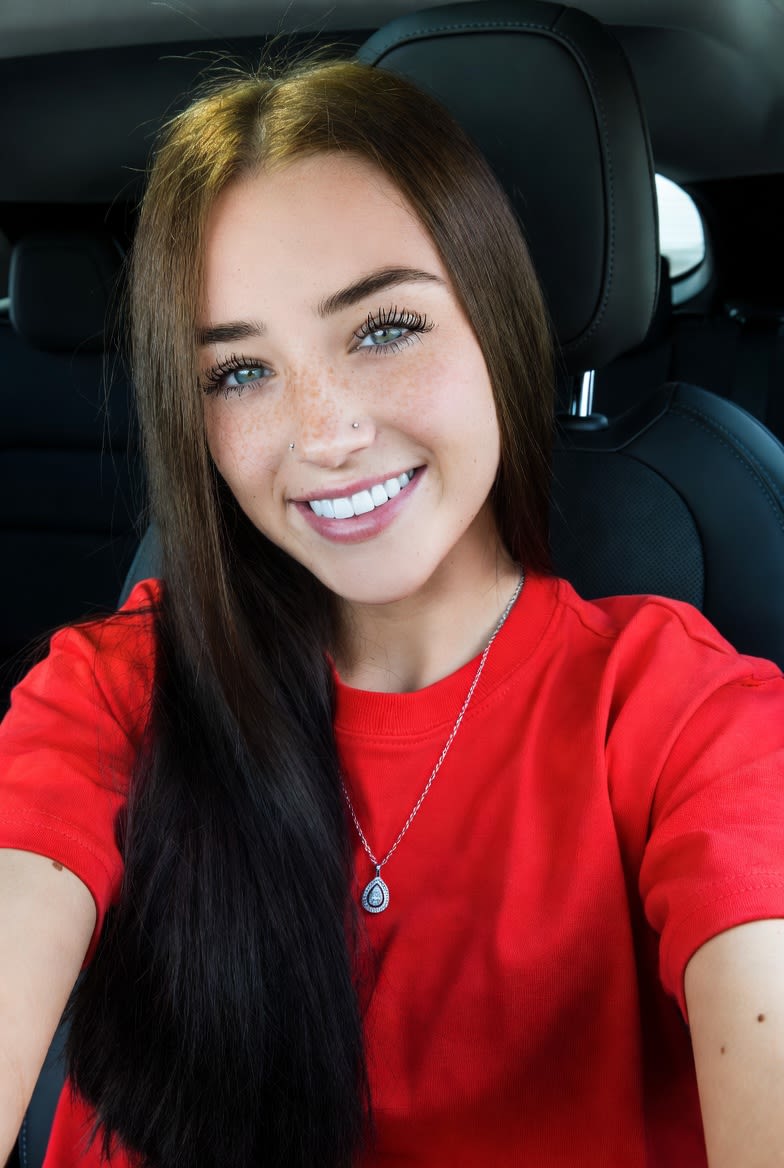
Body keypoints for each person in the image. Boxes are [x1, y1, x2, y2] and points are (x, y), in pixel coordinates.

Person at [1, 56, 783, 1168]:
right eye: (239, 374)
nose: (324, 435)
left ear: (494, 317)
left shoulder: (680, 715)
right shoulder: (117, 690)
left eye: (383, 329)